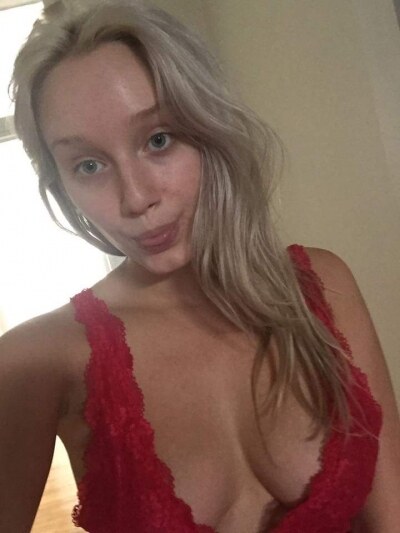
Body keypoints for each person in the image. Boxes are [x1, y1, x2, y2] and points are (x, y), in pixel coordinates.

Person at [1, 1, 399, 531]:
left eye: (158, 139)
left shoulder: (322, 290)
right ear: (60, 184)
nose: (137, 198)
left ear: (209, 129)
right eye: (88, 165)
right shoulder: (37, 361)